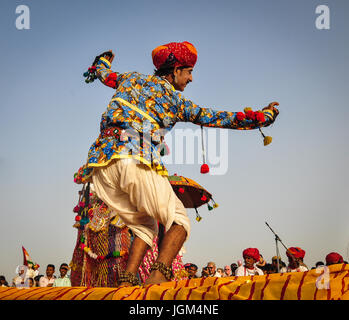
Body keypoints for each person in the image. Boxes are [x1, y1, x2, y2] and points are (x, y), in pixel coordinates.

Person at [77, 41, 279, 286]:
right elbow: (219, 118)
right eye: (190, 72)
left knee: (145, 226)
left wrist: (103, 60)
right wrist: (264, 117)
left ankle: (127, 281)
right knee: (180, 221)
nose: (191, 79)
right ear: (175, 71)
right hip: (133, 157)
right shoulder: (176, 101)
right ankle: (157, 279)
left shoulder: (129, 78)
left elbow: (104, 75)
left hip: (101, 166)